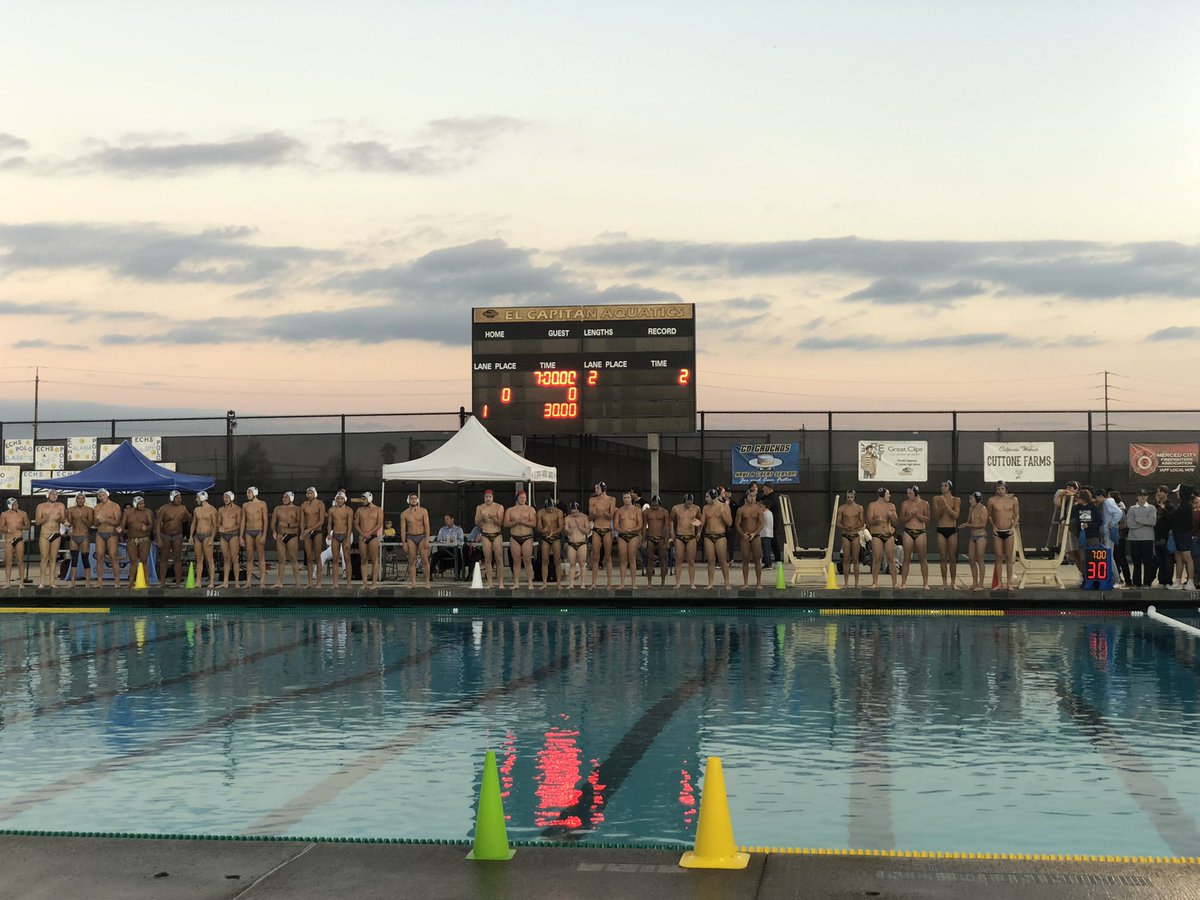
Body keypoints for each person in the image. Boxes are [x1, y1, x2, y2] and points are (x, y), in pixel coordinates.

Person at [987, 481, 1020, 590]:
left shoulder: (1013, 499)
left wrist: (1012, 527)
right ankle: (999, 583)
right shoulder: (992, 500)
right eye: (998, 489)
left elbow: (1017, 515)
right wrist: (994, 527)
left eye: (1002, 489)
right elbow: (989, 515)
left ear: (1006, 489)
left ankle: (1009, 583)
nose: (1000, 491)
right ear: (996, 490)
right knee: (998, 557)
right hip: (998, 532)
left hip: (1009, 531)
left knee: (1009, 558)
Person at [155, 490, 191, 588]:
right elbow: (157, 524)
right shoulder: (164, 509)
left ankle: (178, 583)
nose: (180, 500)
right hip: (166, 536)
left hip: (178, 536)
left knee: (177, 559)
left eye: (180, 498)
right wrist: (158, 538)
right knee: (164, 559)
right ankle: (162, 582)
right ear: (172, 498)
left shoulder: (183, 508)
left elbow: (190, 519)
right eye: (177, 498)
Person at [898, 485, 931, 589]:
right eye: (907, 493)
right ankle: (903, 583)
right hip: (908, 531)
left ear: (916, 493)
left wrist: (918, 515)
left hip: (920, 531)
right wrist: (910, 516)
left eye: (910, 493)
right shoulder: (905, 504)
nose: (908, 495)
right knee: (906, 558)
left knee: (923, 558)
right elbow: (901, 519)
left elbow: (927, 520)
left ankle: (925, 583)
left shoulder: (924, 504)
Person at [504, 490, 538, 589]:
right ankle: (516, 583)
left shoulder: (530, 509)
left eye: (524, 498)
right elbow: (505, 524)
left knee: (528, 560)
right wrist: (515, 522)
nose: (523, 499)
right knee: (516, 561)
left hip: (527, 537)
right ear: (517, 498)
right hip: (514, 537)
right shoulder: (510, 510)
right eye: (521, 498)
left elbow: (533, 524)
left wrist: (522, 521)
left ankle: (530, 583)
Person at [866, 487, 899, 589]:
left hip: (888, 534)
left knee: (891, 559)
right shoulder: (872, 506)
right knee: (877, 558)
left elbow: (896, 521)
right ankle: (874, 582)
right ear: (882, 495)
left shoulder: (891, 506)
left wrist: (892, 515)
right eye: (888, 494)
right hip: (877, 534)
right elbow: (869, 522)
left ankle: (895, 583)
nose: (889, 496)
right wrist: (877, 520)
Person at [34, 489, 67, 588]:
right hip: (45, 534)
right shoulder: (41, 506)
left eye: (56, 494)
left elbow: (63, 520)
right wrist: (45, 518)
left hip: (56, 534)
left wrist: (59, 518)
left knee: (53, 558)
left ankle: (51, 582)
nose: (54, 496)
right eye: (52, 494)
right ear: (48, 495)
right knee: (44, 558)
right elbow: (37, 522)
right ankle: (42, 582)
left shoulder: (61, 505)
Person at [931, 481, 961, 590]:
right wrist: (942, 507)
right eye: (941, 485)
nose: (942, 488)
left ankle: (953, 582)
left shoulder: (956, 500)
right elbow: (937, 516)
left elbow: (956, 515)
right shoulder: (936, 499)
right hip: (941, 529)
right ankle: (944, 583)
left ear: (950, 488)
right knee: (943, 557)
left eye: (945, 486)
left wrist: (946, 505)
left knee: (952, 558)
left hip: (952, 529)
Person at [119, 496, 154, 587]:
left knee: (144, 560)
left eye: (143, 503)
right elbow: (122, 525)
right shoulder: (127, 512)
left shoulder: (148, 512)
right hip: (131, 539)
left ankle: (147, 582)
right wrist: (119, 530)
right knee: (133, 561)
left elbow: (151, 524)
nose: (143, 505)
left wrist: (147, 527)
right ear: (135, 504)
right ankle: (131, 582)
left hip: (144, 538)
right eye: (140, 503)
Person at [474, 489, 506, 589]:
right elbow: (476, 522)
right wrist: (482, 517)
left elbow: (501, 523)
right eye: (486, 497)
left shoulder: (499, 507)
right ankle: (490, 583)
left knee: (499, 559)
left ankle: (501, 583)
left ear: (493, 497)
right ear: (484, 497)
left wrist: (493, 517)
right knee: (487, 559)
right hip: (485, 534)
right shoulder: (480, 507)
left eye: (490, 497)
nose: (488, 499)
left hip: (496, 533)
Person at [701, 488, 732, 589]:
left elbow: (729, 523)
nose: (705, 499)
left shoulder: (724, 506)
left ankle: (727, 583)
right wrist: (696, 524)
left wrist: (723, 513)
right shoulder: (705, 508)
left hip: (720, 536)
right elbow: (702, 522)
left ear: (713, 497)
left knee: (723, 560)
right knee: (711, 560)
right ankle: (710, 583)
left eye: (707, 497)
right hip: (708, 536)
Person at [1125, 489, 1157, 588]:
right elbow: (1130, 523)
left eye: (1144, 495)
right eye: (1140, 495)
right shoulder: (1132, 508)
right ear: (1137, 497)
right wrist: (1144, 522)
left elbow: (1152, 521)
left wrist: (1137, 520)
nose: (1142, 497)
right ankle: (1136, 582)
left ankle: (1147, 583)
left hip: (1147, 538)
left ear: (1147, 497)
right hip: (1134, 539)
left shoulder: (1152, 508)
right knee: (1136, 562)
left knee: (1147, 561)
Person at [1167, 485, 1196, 591]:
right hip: (1178, 535)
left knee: (1187, 558)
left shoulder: (1186, 505)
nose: (1176, 493)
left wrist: (1164, 511)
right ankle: (1178, 581)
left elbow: (1175, 518)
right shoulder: (1182, 504)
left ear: (1183, 492)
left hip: (1184, 535)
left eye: (1178, 491)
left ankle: (1190, 582)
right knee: (1178, 558)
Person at [271, 491, 302, 588]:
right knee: (281, 560)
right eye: (283, 497)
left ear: (291, 498)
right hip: (280, 536)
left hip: (292, 536)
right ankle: (279, 582)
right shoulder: (278, 508)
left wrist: (288, 525)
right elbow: (273, 521)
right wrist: (274, 531)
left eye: (286, 497)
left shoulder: (297, 509)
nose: (284, 499)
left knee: (293, 559)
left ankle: (298, 583)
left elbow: (300, 523)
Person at [613, 491, 644, 590]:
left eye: (628, 497)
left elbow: (640, 525)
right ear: (622, 499)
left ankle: (633, 584)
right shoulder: (619, 511)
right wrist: (623, 531)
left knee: (632, 559)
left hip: (633, 535)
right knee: (623, 560)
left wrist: (631, 530)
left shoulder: (637, 510)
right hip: (622, 535)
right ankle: (622, 583)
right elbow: (616, 525)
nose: (626, 500)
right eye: (625, 498)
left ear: (631, 499)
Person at [736, 485, 765, 588]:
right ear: (747, 496)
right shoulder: (741, 510)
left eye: (754, 496)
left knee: (757, 559)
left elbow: (761, 524)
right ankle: (746, 583)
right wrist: (743, 534)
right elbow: (737, 524)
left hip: (755, 536)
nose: (753, 498)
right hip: (745, 536)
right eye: (751, 496)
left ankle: (758, 583)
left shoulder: (759, 509)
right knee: (745, 560)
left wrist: (755, 533)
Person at [588, 482, 616, 589]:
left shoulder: (611, 499)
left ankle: (609, 583)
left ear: (603, 489)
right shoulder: (592, 500)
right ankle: (594, 582)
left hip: (607, 529)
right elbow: (590, 517)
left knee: (608, 557)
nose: (595, 489)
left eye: (597, 488)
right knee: (595, 557)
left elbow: (610, 516)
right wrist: (594, 514)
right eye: (595, 487)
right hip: (596, 529)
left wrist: (601, 512)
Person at [401, 492, 432, 588]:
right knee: (412, 560)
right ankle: (413, 583)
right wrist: (404, 543)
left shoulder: (423, 511)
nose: (413, 500)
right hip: (410, 537)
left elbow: (427, 526)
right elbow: (403, 528)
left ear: (417, 500)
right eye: (412, 498)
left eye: (415, 498)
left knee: (424, 560)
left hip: (422, 536)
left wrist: (427, 539)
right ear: (408, 500)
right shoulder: (404, 514)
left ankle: (427, 582)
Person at [671, 493, 701, 589]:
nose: (689, 505)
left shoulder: (696, 508)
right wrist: (672, 532)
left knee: (691, 561)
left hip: (691, 536)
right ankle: (677, 583)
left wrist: (699, 532)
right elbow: (671, 520)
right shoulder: (676, 508)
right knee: (678, 560)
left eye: (691, 503)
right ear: (684, 501)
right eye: (687, 503)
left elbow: (700, 521)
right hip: (679, 536)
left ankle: (692, 583)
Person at [64, 493, 95, 588]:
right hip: (74, 536)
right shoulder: (70, 509)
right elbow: (69, 523)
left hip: (84, 536)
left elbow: (90, 524)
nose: (81, 500)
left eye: (82, 498)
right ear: (76, 500)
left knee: (85, 559)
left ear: (85, 500)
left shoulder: (89, 510)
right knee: (74, 559)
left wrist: (82, 518)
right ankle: (72, 582)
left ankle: (87, 582)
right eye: (79, 498)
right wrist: (63, 521)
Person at [93, 488, 123, 586]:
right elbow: (95, 524)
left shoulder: (115, 506)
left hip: (111, 533)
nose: (102, 497)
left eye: (103, 495)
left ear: (107, 495)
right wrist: (98, 520)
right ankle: (99, 582)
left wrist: (105, 519)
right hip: (100, 533)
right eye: (100, 496)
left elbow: (117, 522)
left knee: (113, 556)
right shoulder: (97, 507)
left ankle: (117, 582)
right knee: (100, 556)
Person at [241, 487, 269, 588]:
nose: (247, 494)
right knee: (249, 557)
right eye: (247, 492)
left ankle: (262, 581)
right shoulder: (245, 505)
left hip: (258, 531)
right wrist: (241, 536)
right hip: (248, 532)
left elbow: (265, 520)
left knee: (261, 557)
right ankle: (248, 582)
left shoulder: (262, 504)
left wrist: (264, 534)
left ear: (254, 493)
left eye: (249, 492)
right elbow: (243, 521)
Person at [354, 491, 384, 588]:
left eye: (364, 499)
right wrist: (363, 533)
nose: (362, 501)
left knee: (374, 560)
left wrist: (369, 533)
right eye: (362, 499)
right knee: (363, 560)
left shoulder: (378, 509)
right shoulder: (359, 510)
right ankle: (365, 583)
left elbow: (379, 524)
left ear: (369, 499)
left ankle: (374, 583)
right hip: (362, 537)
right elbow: (356, 524)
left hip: (373, 537)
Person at [836, 489, 865, 588]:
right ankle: (846, 583)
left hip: (855, 534)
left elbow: (862, 522)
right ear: (846, 497)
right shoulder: (842, 508)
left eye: (851, 497)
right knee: (846, 559)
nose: (850, 499)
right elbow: (838, 522)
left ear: (854, 497)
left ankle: (857, 583)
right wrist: (845, 527)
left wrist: (855, 527)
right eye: (848, 497)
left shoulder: (859, 508)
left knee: (856, 559)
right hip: (845, 535)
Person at [961, 492, 989, 590]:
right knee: (971, 559)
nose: (970, 501)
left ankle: (981, 584)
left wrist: (969, 525)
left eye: (971, 499)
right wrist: (966, 524)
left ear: (977, 499)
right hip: (973, 536)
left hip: (981, 536)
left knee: (980, 560)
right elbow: (969, 521)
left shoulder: (983, 509)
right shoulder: (971, 508)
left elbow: (983, 524)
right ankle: (974, 582)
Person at [300, 487, 327, 588]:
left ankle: (319, 582)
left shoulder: (320, 504)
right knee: (309, 558)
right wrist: (303, 531)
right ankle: (310, 582)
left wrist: (309, 529)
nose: (309, 494)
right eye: (307, 493)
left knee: (317, 556)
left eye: (311, 493)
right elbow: (302, 520)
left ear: (315, 493)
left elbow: (321, 521)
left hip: (317, 531)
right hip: (307, 532)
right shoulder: (304, 505)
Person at [217, 491, 244, 588]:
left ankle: (237, 582)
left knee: (235, 559)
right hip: (223, 537)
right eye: (224, 497)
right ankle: (225, 582)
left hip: (233, 535)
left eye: (226, 497)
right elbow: (218, 523)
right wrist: (219, 527)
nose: (225, 499)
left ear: (231, 498)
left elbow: (238, 525)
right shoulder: (220, 510)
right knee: (226, 559)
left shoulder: (237, 509)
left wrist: (227, 529)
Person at [327, 492, 354, 589]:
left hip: (345, 535)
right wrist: (329, 533)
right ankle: (335, 583)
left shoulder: (349, 510)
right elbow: (329, 523)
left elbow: (350, 525)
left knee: (347, 559)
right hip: (335, 535)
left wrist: (347, 539)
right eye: (338, 499)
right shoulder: (331, 510)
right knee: (335, 559)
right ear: (336, 499)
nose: (339, 501)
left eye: (341, 499)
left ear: (344, 499)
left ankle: (349, 583)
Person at [643, 495, 671, 587]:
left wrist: (667, 541)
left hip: (661, 538)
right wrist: (643, 540)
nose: (654, 507)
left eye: (655, 505)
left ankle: (663, 582)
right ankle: (649, 583)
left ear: (659, 504)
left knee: (662, 560)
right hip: (650, 538)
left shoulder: (664, 512)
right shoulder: (647, 512)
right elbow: (644, 527)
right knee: (649, 560)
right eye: (652, 505)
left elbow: (667, 527)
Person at [2, 498, 30, 587]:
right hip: (9, 539)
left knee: (20, 560)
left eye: (17, 503)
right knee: (8, 562)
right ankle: (7, 583)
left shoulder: (23, 513)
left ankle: (21, 583)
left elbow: (28, 526)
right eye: (14, 504)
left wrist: (21, 527)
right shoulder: (4, 514)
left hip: (19, 538)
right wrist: (7, 530)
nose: (16, 505)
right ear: (9, 505)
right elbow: (1, 527)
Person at [537, 498, 564, 589]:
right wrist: (542, 530)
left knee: (557, 561)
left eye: (552, 508)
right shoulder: (541, 513)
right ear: (545, 508)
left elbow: (561, 527)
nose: (551, 510)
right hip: (545, 538)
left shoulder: (558, 512)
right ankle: (544, 583)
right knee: (545, 561)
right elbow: (538, 527)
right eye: (549, 509)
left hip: (555, 538)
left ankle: (558, 583)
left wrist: (554, 532)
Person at [563, 501, 590, 589]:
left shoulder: (584, 517)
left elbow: (588, 531)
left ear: (579, 510)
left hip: (581, 543)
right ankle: (571, 584)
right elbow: (566, 530)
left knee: (582, 563)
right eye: (572, 512)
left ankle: (583, 583)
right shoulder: (567, 518)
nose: (574, 514)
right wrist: (568, 530)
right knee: (572, 564)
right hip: (571, 543)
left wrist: (580, 527)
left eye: (576, 512)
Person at [1153, 484, 1175, 587]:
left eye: (1161, 491)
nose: (1158, 493)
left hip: (1166, 537)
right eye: (1158, 491)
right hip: (1156, 536)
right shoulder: (1155, 505)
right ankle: (1161, 580)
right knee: (1160, 560)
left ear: (1166, 493)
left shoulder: (1170, 505)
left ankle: (1168, 581)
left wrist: (1164, 509)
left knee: (1168, 560)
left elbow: (1172, 519)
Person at [435, 513, 465, 579]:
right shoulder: (442, 530)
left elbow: (461, 540)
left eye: (447, 519)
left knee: (459, 555)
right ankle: (430, 574)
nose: (446, 521)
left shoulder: (459, 529)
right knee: (435, 555)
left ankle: (457, 575)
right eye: (445, 519)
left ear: (452, 519)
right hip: (445, 549)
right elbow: (439, 540)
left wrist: (454, 541)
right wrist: (445, 542)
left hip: (455, 549)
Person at [759, 482, 783, 566]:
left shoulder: (773, 497)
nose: (763, 490)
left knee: (772, 540)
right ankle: (767, 559)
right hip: (765, 522)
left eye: (764, 488)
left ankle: (777, 559)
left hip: (771, 522)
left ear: (769, 488)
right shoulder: (765, 497)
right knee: (767, 543)